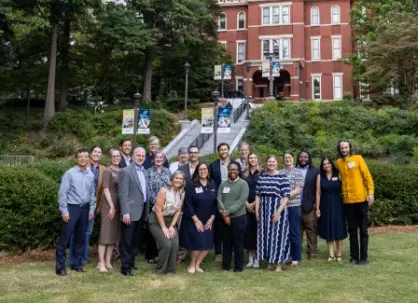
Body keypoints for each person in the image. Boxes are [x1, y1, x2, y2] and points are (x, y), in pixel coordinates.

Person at [55, 149, 96, 276]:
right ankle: (60, 267)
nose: (83, 159)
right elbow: (62, 193)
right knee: (65, 238)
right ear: (76, 159)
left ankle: (76, 264)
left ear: (89, 159)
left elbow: (92, 193)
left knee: (80, 238)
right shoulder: (69, 174)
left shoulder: (90, 174)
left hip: (85, 209)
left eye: (85, 156)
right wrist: (64, 210)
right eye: (80, 157)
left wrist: (92, 208)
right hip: (72, 208)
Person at [336, 139, 374, 265]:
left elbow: (367, 176)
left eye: (346, 147)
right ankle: (353, 257)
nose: (344, 150)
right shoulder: (339, 162)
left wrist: (370, 193)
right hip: (348, 201)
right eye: (342, 148)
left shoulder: (358, 159)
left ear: (350, 148)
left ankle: (363, 258)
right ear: (339, 149)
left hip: (361, 200)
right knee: (352, 230)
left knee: (363, 230)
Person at [69, 145, 105, 267]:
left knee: (87, 232)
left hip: (92, 204)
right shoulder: (83, 165)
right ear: (90, 153)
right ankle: (73, 259)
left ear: (101, 155)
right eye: (95, 151)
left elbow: (101, 191)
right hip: (79, 203)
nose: (97, 153)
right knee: (77, 232)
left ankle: (83, 258)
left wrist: (97, 206)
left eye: (99, 152)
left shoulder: (103, 169)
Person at [255, 155, 291, 272]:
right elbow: (258, 195)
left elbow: (286, 196)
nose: (271, 164)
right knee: (266, 236)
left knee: (278, 236)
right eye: (269, 162)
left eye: (273, 162)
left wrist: (278, 212)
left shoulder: (282, 177)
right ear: (266, 163)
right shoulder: (262, 177)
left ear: (277, 163)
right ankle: (270, 262)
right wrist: (257, 212)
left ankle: (279, 264)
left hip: (278, 210)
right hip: (264, 211)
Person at [180, 163, 217, 273]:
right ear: (197, 171)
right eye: (200, 169)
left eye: (205, 169)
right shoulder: (191, 184)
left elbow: (216, 202)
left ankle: (197, 264)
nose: (203, 171)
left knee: (206, 245)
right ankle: (191, 265)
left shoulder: (212, 183)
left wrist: (212, 219)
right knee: (198, 244)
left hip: (209, 219)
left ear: (208, 170)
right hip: (194, 219)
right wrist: (196, 220)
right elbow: (188, 203)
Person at [118, 147, 148, 276]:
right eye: (138, 155)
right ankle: (125, 268)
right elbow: (123, 194)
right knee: (127, 241)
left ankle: (131, 263)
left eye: (143, 156)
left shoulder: (145, 171)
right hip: (129, 212)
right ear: (133, 156)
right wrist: (125, 212)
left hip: (141, 211)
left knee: (135, 241)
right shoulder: (126, 171)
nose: (140, 158)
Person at [148, 171, 186, 274]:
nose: (178, 180)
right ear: (172, 179)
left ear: (183, 181)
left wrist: (172, 226)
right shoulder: (164, 191)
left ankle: (170, 270)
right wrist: (164, 227)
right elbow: (158, 210)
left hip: (171, 221)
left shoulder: (182, 193)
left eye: (181, 179)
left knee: (174, 244)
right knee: (166, 244)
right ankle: (160, 270)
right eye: (176, 178)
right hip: (156, 220)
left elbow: (178, 210)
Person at [210, 143, 240, 261]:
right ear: (218, 152)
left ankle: (230, 250)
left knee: (232, 224)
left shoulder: (235, 164)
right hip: (219, 197)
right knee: (219, 226)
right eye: (221, 150)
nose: (223, 151)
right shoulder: (213, 165)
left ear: (229, 150)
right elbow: (211, 181)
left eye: (225, 149)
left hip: (233, 198)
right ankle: (218, 252)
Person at [217, 163, 249, 273]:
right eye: (230, 169)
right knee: (226, 244)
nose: (233, 171)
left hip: (238, 218)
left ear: (238, 171)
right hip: (224, 218)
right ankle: (226, 266)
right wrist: (223, 213)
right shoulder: (223, 184)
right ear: (228, 170)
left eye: (235, 169)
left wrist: (227, 212)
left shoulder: (243, 184)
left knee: (238, 244)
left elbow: (241, 201)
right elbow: (219, 199)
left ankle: (238, 267)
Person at [315, 156, 347, 262]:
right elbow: (318, 193)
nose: (326, 165)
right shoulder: (320, 176)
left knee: (338, 228)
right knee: (328, 228)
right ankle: (331, 254)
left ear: (331, 164)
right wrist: (317, 208)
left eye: (328, 163)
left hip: (338, 204)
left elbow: (345, 187)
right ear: (322, 166)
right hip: (325, 205)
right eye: (324, 164)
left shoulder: (338, 174)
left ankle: (339, 254)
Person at [97, 149, 122, 273]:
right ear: (110, 158)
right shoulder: (107, 171)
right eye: (114, 156)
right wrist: (112, 206)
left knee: (113, 235)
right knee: (105, 234)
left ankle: (108, 261)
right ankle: (100, 262)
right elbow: (106, 189)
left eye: (118, 156)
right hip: (109, 205)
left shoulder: (122, 171)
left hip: (118, 205)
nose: (116, 158)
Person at [146, 150, 171, 264]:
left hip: (166, 207)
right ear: (153, 159)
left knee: (163, 230)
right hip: (153, 206)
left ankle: (161, 254)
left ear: (164, 159)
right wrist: (157, 203)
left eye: (161, 158)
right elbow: (148, 190)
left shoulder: (168, 172)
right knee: (152, 231)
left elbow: (171, 188)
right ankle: (151, 255)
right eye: (157, 157)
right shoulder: (149, 172)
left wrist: (166, 203)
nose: (159, 159)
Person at [280, 152, 304, 266]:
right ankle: (286, 255)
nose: (287, 159)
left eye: (289, 157)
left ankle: (296, 257)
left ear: (293, 159)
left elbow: (298, 189)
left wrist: (286, 196)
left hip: (294, 206)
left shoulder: (298, 172)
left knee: (294, 232)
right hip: (283, 207)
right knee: (284, 232)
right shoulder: (281, 172)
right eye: (285, 158)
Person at [296, 150, 320, 260]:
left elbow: (318, 190)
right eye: (301, 157)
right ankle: (297, 253)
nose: (303, 159)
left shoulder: (315, 171)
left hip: (309, 205)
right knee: (297, 230)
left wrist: (316, 204)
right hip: (295, 205)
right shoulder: (294, 170)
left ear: (308, 158)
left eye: (305, 157)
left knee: (311, 230)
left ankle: (312, 253)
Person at [243, 152, 262, 268]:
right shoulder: (244, 174)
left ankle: (258, 259)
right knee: (248, 232)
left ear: (257, 160)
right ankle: (250, 258)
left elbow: (262, 191)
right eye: (251, 158)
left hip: (258, 206)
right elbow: (241, 189)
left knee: (257, 232)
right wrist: (246, 204)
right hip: (246, 207)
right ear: (248, 160)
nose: (253, 159)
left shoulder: (262, 173)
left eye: (255, 157)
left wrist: (254, 204)